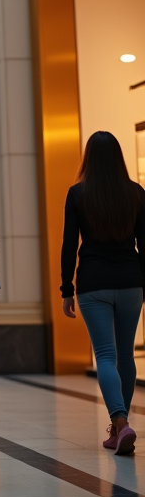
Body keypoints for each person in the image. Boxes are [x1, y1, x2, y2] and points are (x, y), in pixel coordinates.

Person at [60, 131, 144, 455]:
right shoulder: (137, 194)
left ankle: (120, 423)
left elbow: (71, 246)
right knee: (126, 354)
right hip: (130, 282)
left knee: (105, 356)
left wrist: (67, 289)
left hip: (93, 283)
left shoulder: (78, 194)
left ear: (88, 158)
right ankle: (118, 427)